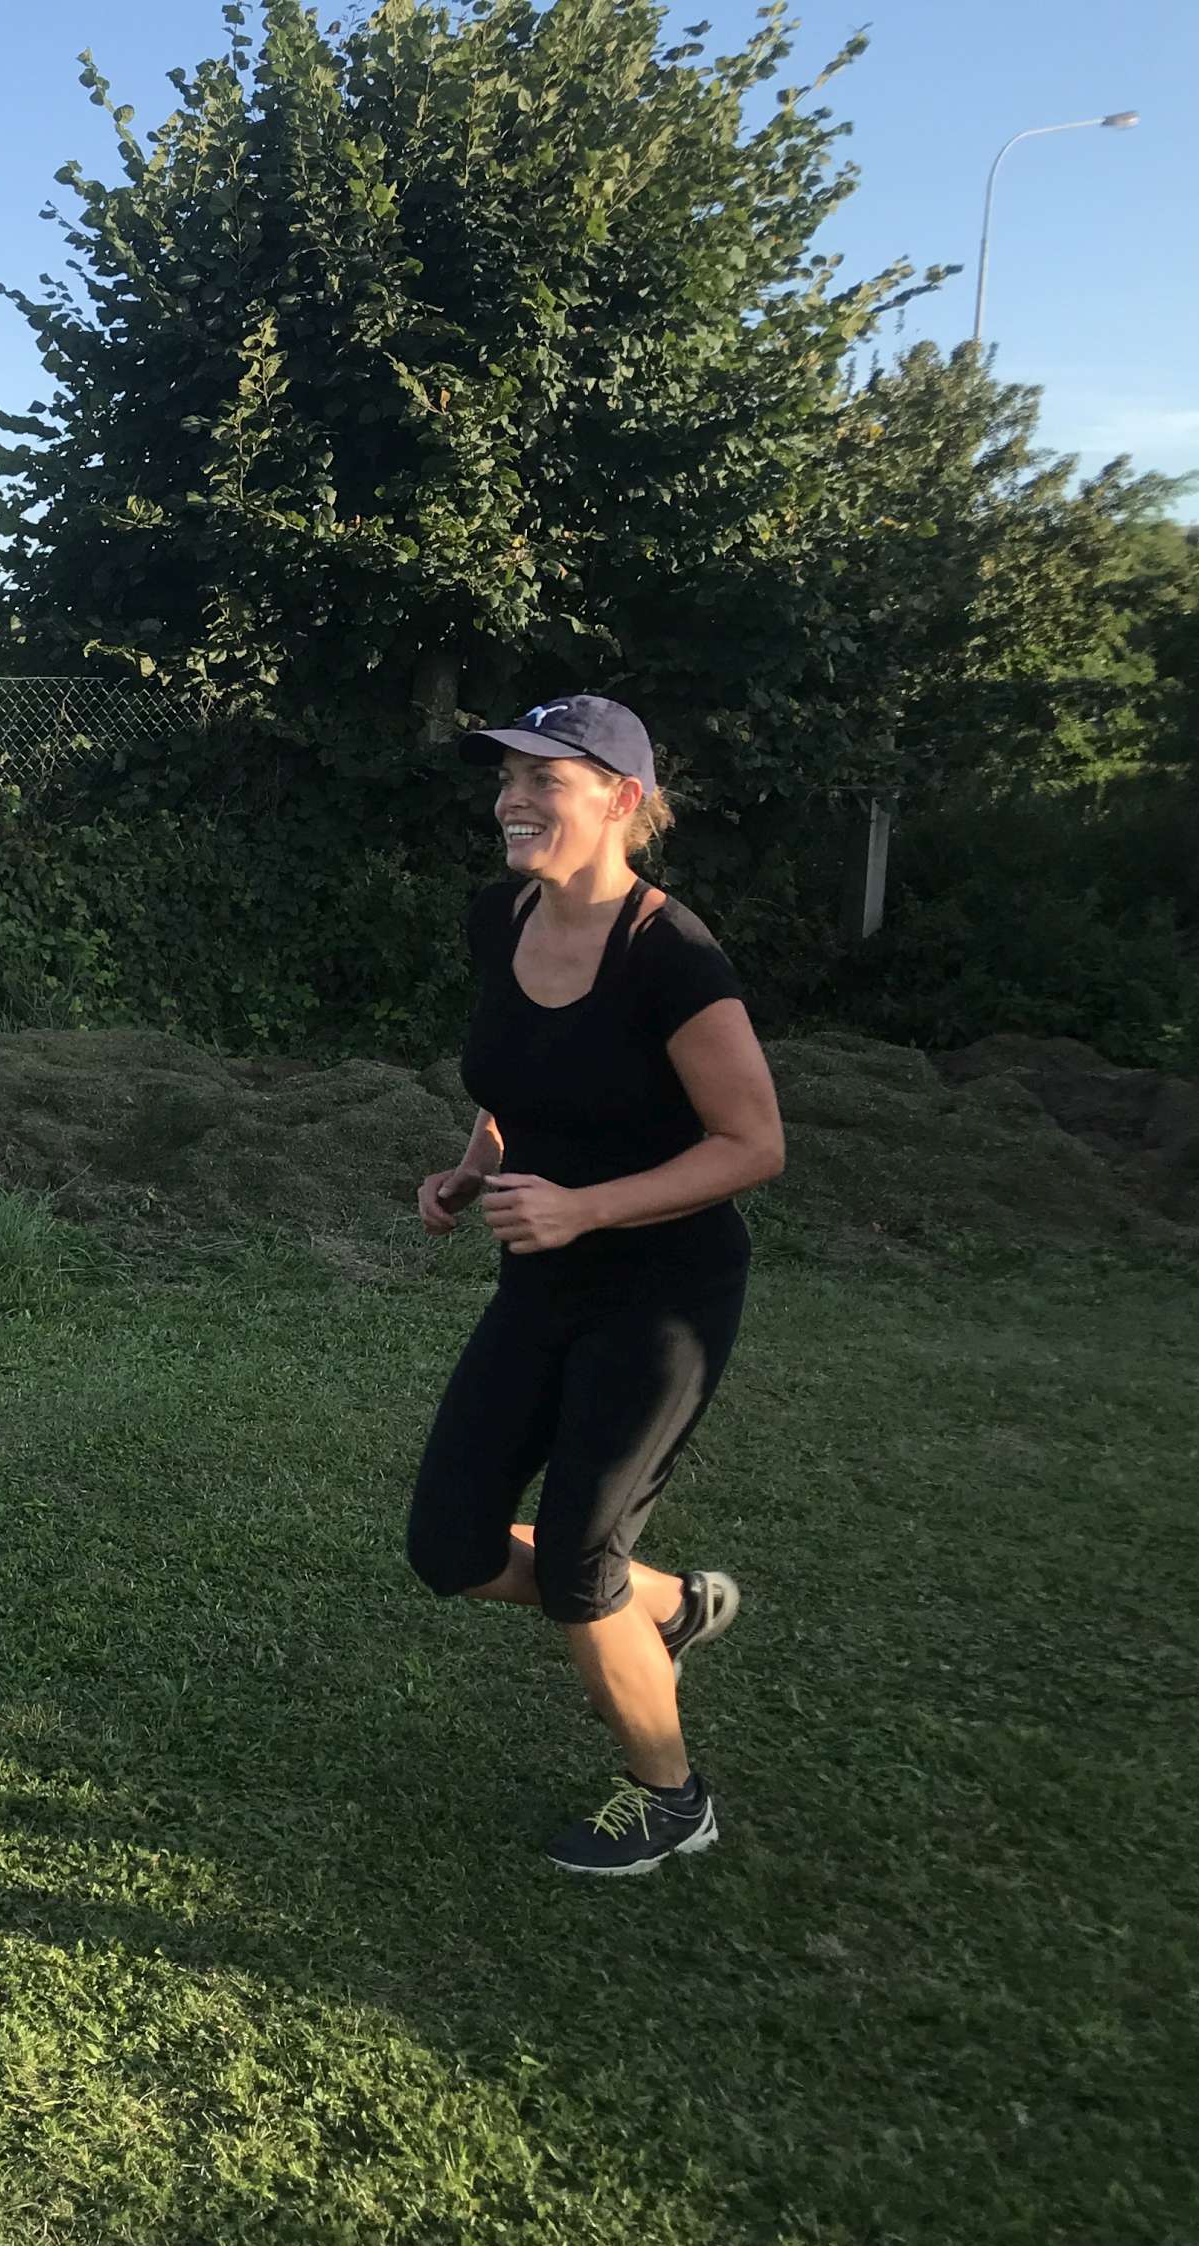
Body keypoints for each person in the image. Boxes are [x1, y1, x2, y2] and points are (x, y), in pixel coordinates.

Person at [407, 694, 786, 1876]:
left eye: (544, 780)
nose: (511, 800)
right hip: (541, 1282)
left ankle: (672, 1801)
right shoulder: (500, 916)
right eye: (505, 778)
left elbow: (754, 1146)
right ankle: (667, 1605)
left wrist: (582, 1207)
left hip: (664, 1296)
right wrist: (477, 1166)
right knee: (451, 1545)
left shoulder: (671, 958)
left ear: (623, 800)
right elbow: (517, 1074)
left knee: (577, 1563)